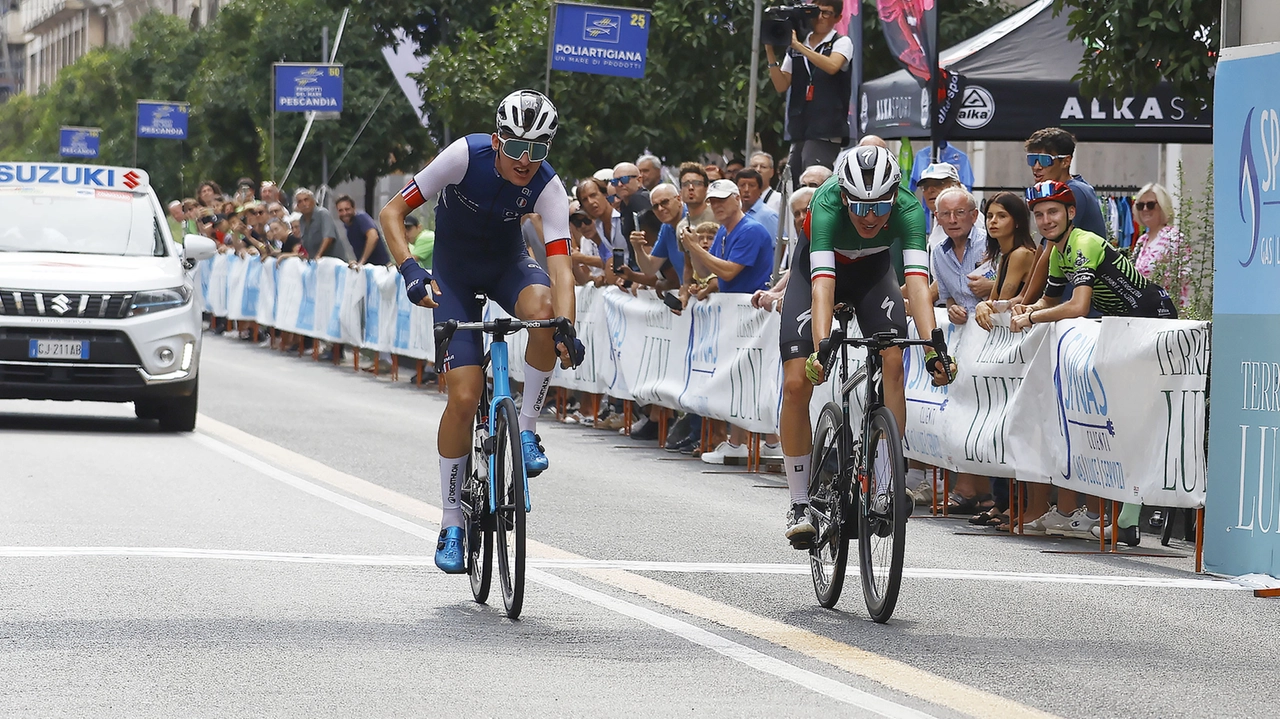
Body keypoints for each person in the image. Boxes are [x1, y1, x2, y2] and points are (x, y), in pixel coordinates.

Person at [380, 90, 584, 574]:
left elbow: (562, 270)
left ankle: (528, 430)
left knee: (545, 310)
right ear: (497, 141)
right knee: (465, 396)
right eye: (516, 148)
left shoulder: (550, 188)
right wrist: (410, 268)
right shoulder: (463, 155)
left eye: (538, 151)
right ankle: (452, 521)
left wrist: (568, 326)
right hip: (452, 275)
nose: (525, 162)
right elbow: (392, 213)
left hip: (507, 267)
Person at [775, 146, 951, 546]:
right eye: (859, 206)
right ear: (843, 197)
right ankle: (800, 503)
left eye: (879, 207)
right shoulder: (825, 204)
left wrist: (932, 345)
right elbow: (822, 285)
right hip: (816, 272)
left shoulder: (909, 210)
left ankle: (887, 482)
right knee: (796, 384)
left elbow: (918, 283)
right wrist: (823, 346)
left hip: (873, 275)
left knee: (894, 359)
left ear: (894, 196)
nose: (870, 217)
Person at [1009, 180, 1175, 545]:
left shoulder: (1082, 243)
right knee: (1119, 420)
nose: (1045, 220)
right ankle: (1126, 518)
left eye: (1053, 212)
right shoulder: (1056, 251)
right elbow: (1047, 302)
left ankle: (1129, 518)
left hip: (1153, 322)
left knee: (1134, 421)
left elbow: (1078, 307)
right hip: (1126, 327)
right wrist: (1027, 308)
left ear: (1071, 213)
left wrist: (1033, 318)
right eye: (1039, 214)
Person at [765, 0, 853, 186]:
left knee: (812, 182)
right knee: (791, 184)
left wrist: (799, 47)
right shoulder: (797, 45)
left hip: (826, 127)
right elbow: (781, 84)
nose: (820, 17)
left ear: (838, 17)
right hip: (801, 127)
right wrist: (770, 52)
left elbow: (832, 66)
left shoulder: (841, 42)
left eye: (827, 13)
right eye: (817, 12)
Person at [973, 192, 1037, 332]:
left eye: (1002, 216)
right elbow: (994, 300)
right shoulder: (1005, 256)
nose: (993, 221)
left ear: (1017, 222)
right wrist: (982, 305)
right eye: (989, 216)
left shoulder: (1021, 254)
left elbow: (1001, 304)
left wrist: (984, 305)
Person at [1132, 182, 1188, 307]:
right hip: (1144, 310)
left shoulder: (1173, 237)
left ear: (1163, 206)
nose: (1145, 209)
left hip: (1166, 310)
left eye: (1150, 205)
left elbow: (1182, 279)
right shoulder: (1142, 240)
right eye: (1141, 205)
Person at [295, 188, 352, 262]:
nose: (304, 204)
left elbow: (328, 237)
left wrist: (318, 255)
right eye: (300, 201)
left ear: (313, 201)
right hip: (317, 264)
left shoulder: (323, 213)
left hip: (333, 262)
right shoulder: (302, 220)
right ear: (298, 206)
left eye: (306, 200)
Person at [336, 195, 391, 267]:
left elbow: (373, 237)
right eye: (341, 210)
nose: (344, 213)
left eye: (347, 209)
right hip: (368, 269)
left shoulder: (361, 218)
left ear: (354, 208)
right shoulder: (348, 226)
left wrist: (361, 262)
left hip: (380, 269)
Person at [909, 141, 975, 192]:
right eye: (926, 186)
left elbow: (968, 186)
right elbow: (912, 186)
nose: (932, 189)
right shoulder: (922, 155)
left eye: (940, 184)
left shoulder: (962, 157)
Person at [736, 168, 781, 241]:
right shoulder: (734, 214)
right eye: (742, 185)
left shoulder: (769, 216)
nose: (746, 189)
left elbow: (781, 246)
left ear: (760, 190)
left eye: (751, 185)